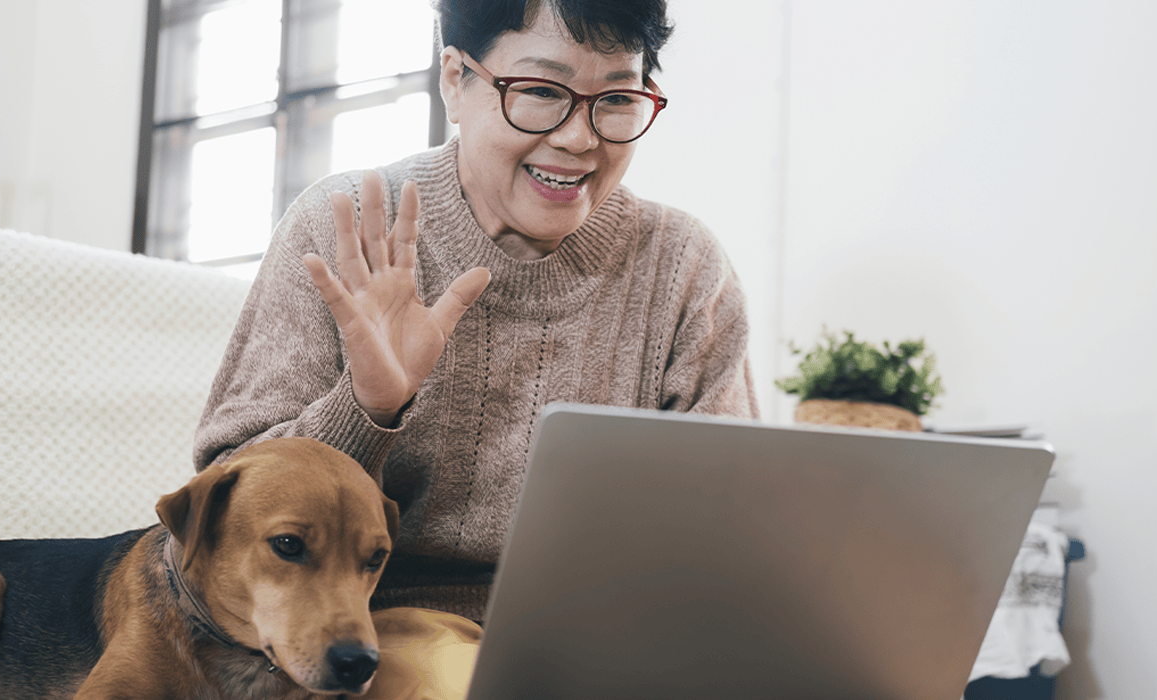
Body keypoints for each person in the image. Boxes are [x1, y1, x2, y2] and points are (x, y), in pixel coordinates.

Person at [193, 0, 758, 627]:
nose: (580, 139)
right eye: (542, 91)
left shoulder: (682, 265)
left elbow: (734, 529)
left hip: (595, 636)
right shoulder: (345, 226)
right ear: (455, 82)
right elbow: (220, 506)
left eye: (618, 100)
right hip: (366, 630)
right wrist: (365, 408)